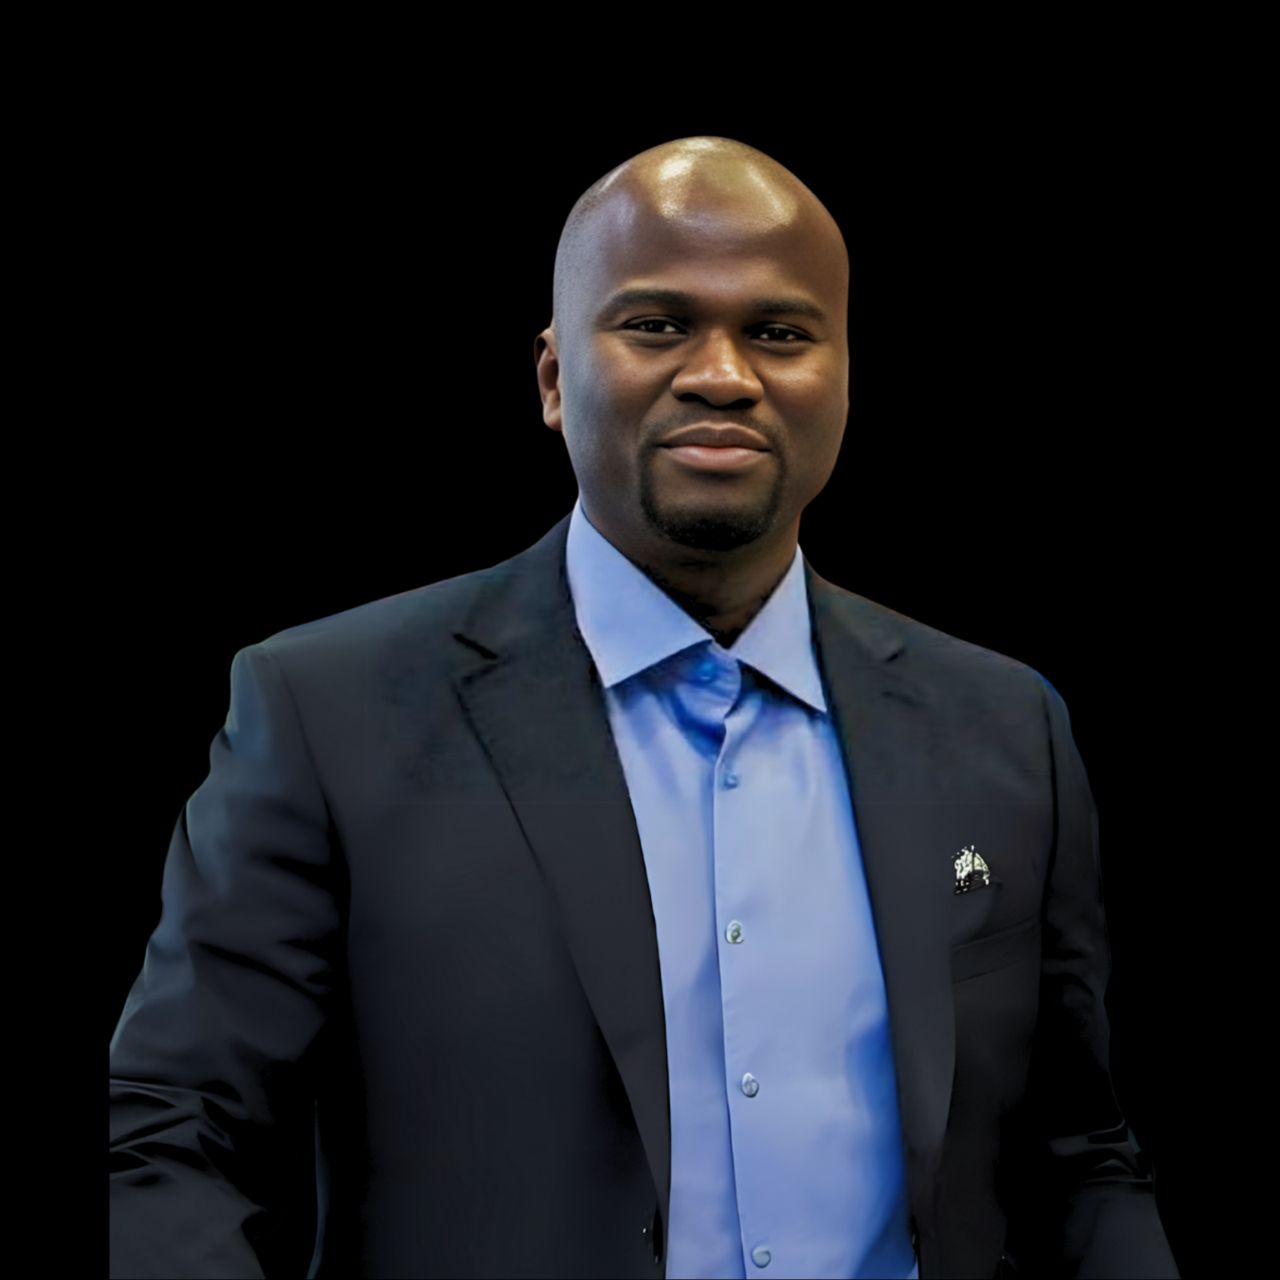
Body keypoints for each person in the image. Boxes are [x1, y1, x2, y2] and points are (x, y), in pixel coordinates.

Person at [109, 136, 1179, 1279]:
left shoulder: (1004, 729)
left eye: (779, 332)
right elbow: (170, 1132)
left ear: (844, 378)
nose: (721, 373)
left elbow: (1076, 1156)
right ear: (552, 376)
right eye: (657, 323)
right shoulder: (329, 711)